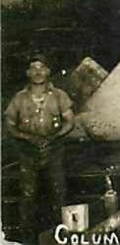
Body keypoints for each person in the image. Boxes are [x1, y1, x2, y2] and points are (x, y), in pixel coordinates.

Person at [5, 56, 75, 242]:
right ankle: (27, 238)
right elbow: (9, 124)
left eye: (42, 68)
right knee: (28, 195)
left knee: (58, 192)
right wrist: (27, 137)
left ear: (48, 71)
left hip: (54, 150)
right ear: (28, 73)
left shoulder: (59, 95)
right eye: (33, 68)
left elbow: (70, 121)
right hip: (28, 152)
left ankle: (63, 236)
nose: (37, 72)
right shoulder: (19, 98)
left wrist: (55, 136)